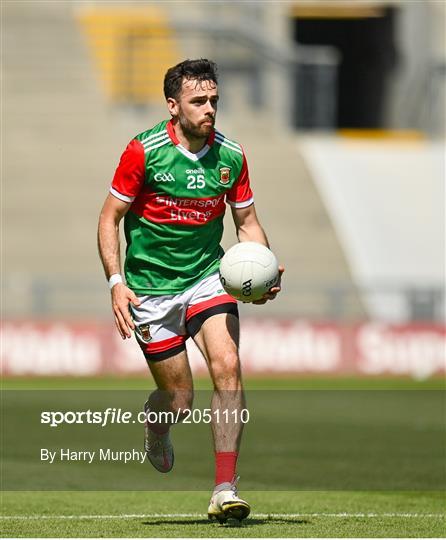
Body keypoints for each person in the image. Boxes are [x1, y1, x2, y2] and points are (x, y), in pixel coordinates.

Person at [97, 58, 283, 523]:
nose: (209, 110)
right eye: (198, 101)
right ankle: (156, 426)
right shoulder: (144, 151)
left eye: (214, 101)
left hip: (207, 276)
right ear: (173, 105)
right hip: (150, 290)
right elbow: (109, 218)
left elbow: (247, 224)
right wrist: (116, 283)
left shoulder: (232, 156)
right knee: (179, 399)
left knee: (229, 364)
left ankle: (224, 488)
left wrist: (264, 268)